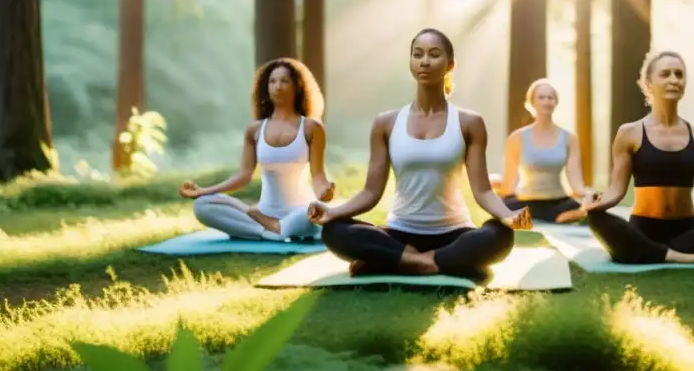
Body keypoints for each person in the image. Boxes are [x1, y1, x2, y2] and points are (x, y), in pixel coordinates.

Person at [308, 28, 532, 279]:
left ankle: (398, 262)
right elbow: (371, 192)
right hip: (401, 233)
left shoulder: (470, 123)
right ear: (411, 62)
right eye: (418, 54)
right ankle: (431, 263)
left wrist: (508, 215)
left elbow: (482, 191)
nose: (424, 61)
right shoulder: (386, 123)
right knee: (334, 231)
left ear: (450, 65)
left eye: (434, 55)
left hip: (454, 233)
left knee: (499, 236)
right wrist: (333, 212)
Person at [580, 51, 694, 265]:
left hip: (686, 233)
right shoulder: (629, 133)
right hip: (643, 229)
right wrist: (593, 203)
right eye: (665, 74)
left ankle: (656, 253)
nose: (674, 79)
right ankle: (675, 256)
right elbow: (616, 192)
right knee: (597, 219)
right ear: (648, 83)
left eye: (679, 74)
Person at [177, 58, 335, 241]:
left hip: (300, 211)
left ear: (297, 86)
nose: (278, 86)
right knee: (202, 206)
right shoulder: (255, 130)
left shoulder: (311, 128)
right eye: (272, 81)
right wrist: (202, 191)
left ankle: (269, 229)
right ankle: (269, 231)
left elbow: (318, 176)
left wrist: (325, 191)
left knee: (312, 216)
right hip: (264, 211)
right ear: (266, 88)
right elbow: (243, 176)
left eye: (284, 81)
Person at [498, 79, 592, 223]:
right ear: (532, 102)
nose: (546, 102)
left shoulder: (570, 138)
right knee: (499, 211)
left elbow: (575, 178)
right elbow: (509, 182)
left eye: (550, 97)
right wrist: (495, 190)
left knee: (590, 213)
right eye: (541, 97)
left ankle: (563, 218)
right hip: (525, 201)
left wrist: (588, 195)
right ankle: (541, 220)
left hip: (559, 202)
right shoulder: (516, 138)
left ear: (556, 102)